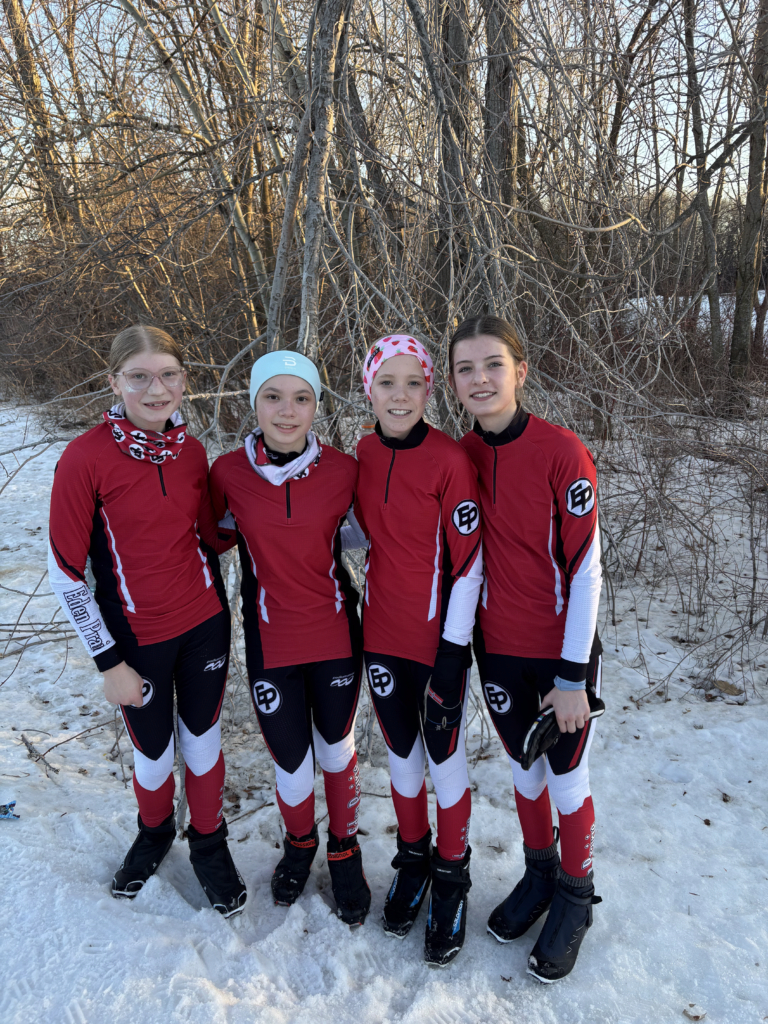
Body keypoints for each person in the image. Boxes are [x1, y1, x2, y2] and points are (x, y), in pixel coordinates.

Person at [48, 325, 246, 916]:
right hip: (137, 642)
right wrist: (109, 661)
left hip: (206, 624)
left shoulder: (190, 450)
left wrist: (277, 509)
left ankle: (209, 843)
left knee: (204, 742)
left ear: (184, 381)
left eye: (168, 375)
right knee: (155, 752)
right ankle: (155, 832)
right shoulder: (85, 457)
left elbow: (212, 534)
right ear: (114, 382)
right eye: (139, 376)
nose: (155, 389)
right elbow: (64, 571)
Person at [449, 314, 603, 982]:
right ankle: (539, 875)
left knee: (567, 778)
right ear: (453, 382)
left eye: (492, 364)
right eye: (465, 369)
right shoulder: (463, 455)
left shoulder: (561, 450)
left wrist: (573, 675)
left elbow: (588, 567)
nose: (480, 379)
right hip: (499, 648)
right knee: (523, 768)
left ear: (521, 370)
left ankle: (575, 894)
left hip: (562, 653)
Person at [209, 350, 371, 927]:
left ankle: (344, 849)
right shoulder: (226, 473)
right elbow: (205, 538)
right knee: (292, 763)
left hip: (334, 636)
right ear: (252, 404)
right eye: (272, 397)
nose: (287, 410)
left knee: (336, 751)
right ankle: (300, 844)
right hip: (270, 643)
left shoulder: (345, 471)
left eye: (301, 398)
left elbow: (378, 534)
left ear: (317, 406)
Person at [353, 335, 483, 966]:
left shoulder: (449, 459)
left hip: (436, 646)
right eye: (387, 382)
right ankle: (413, 860)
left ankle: (452, 879)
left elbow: (470, 564)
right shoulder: (363, 451)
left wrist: (455, 651)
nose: (399, 395)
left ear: (430, 390)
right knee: (402, 759)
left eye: (413, 383)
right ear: (369, 389)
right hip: (380, 639)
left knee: (445, 760)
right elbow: (351, 532)